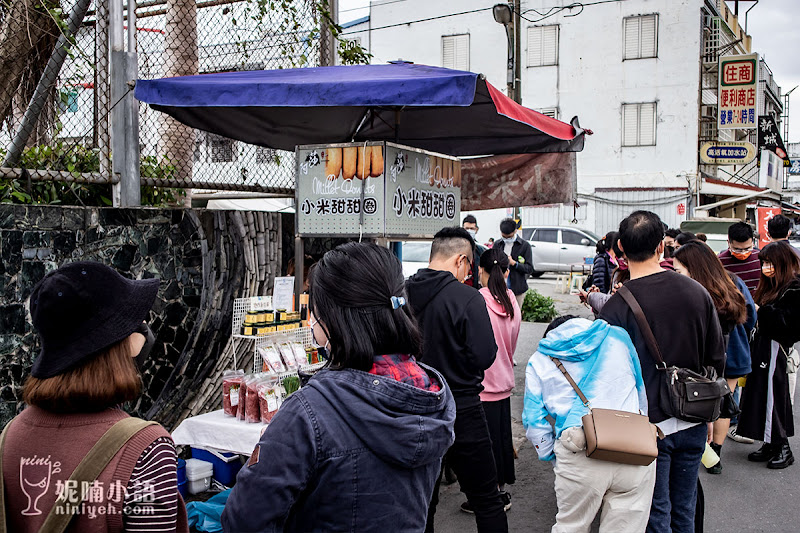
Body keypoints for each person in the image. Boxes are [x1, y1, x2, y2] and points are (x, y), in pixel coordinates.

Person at [223, 242, 456, 531]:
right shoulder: (429, 391)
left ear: (333, 318)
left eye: (313, 305)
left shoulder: (309, 412)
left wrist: (269, 448)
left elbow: (243, 520)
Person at [0, 261, 189, 533]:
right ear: (119, 343)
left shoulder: (10, 437)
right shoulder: (146, 450)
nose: (144, 328)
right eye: (135, 321)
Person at [600, 211, 725, 533]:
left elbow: (609, 379)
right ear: (661, 247)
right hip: (693, 416)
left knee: (655, 513)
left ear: (619, 249)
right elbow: (715, 358)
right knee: (684, 509)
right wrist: (710, 416)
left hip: (644, 426)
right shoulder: (696, 292)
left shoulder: (616, 307)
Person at [406, 227, 507, 533]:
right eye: (470, 266)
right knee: (487, 499)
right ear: (461, 260)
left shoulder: (402, 293)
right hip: (462, 407)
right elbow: (484, 355)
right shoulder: (467, 298)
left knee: (423, 500)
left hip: (416, 407)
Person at [523, 315, 655, 532]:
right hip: (633, 448)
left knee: (571, 527)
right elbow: (640, 391)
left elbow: (534, 422)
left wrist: (553, 455)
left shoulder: (540, 359)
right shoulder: (618, 337)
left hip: (579, 447)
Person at [672, 241, 754, 474]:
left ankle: (703, 451)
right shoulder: (732, 280)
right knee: (723, 403)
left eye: (678, 270)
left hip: (711, 357)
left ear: (693, 267)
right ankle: (715, 453)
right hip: (736, 353)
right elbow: (751, 317)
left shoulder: (694, 291)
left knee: (705, 402)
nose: (676, 275)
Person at [460, 248, 521, 514]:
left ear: (480, 271)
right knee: (499, 440)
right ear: (506, 272)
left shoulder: (476, 300)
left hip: (480, 385)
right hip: (504, 382)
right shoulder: (510, 299)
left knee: (480, 446)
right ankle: (498, 493)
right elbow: (514, 341)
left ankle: (485, 499)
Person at [737, 241, 800, 469]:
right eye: (763, 262)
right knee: (759, 396)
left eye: (770, 263)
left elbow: (790, 324)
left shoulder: (794, 287)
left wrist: (762, 312)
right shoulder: (772, 285)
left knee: (774, 397)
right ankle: (770, 442)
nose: (765, 267)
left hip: (777, 349)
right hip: (762, 347)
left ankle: (782, 446)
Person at [493, 218, 534, 310]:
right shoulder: (498, 244)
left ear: (515, 231)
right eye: (504, 236)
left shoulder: (524, 246)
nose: (506, 239)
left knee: (515, 316)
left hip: (517, 289)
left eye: (509, 236)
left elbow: (529, 268)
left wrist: (515, 264)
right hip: (499, 288)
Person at [718, 221, 761, 296]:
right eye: (737, 249)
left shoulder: (761, 258)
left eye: (747, 248)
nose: (743, 253)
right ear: (729, 243)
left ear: (752, 242)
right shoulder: (719, 262)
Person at [463, 214, 487, 288]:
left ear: (476, 230)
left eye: (472, 228)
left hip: (475, 288)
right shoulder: (456, 248)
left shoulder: (481, 250)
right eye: (467, 228)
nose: (469, 231)